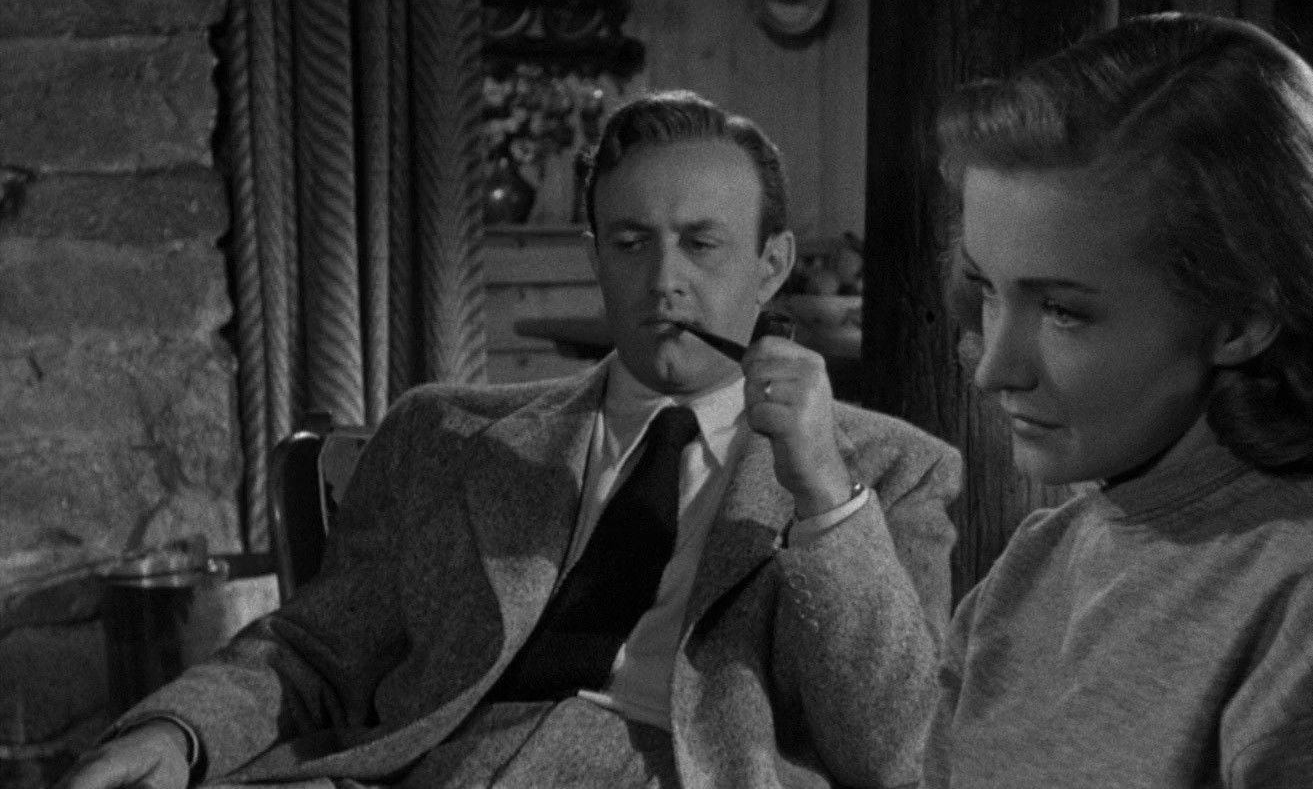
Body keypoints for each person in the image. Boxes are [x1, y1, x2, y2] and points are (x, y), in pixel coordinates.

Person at [62, 90, 963, 789]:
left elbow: (896, 758)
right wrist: (175, 732)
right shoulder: (446, 434)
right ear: (594, 256)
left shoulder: (889, 470)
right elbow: (313, 650)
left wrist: (821, 490)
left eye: (701, 244)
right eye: (631, 243)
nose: (664, 281)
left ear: (771, 264)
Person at [925, 12, 1313, 788]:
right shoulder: (1029, 568)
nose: (995, 368)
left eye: (1063, 310)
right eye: (987, 290)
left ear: (1241, 317)